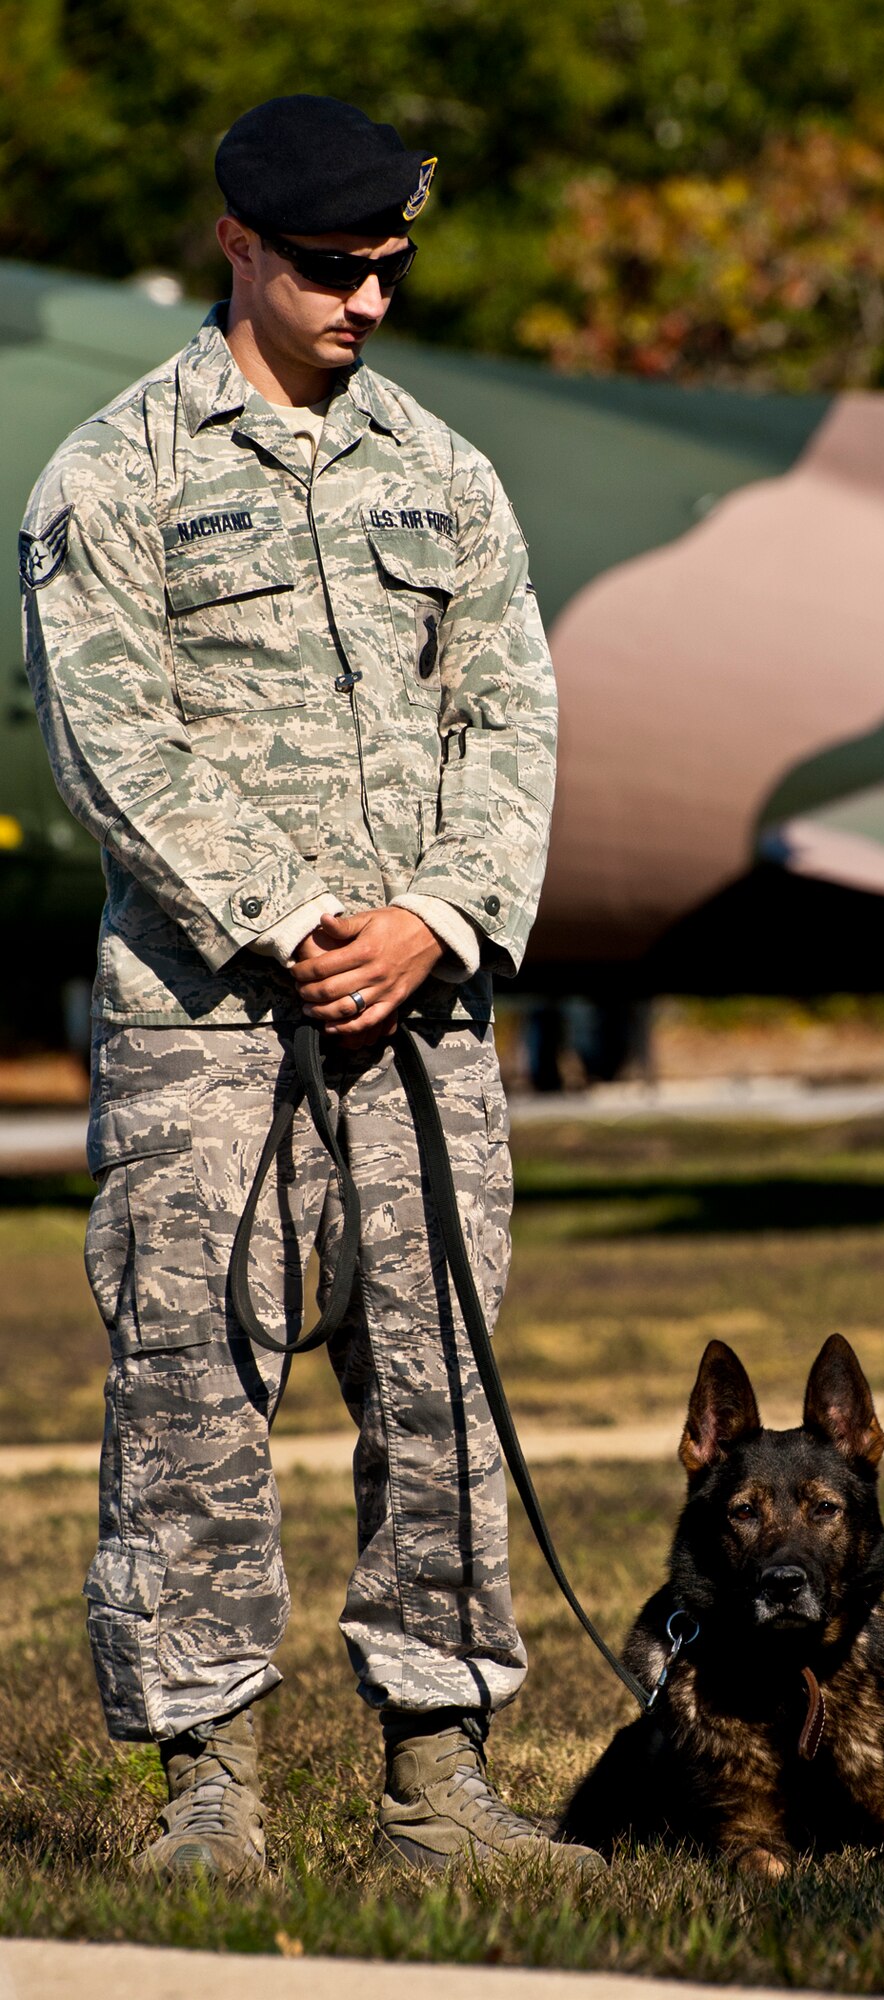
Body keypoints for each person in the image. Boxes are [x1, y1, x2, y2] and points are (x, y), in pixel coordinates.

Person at [19, 94, 599, 1885]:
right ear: (241, 250)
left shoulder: (445, 473)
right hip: (208, 1029)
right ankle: (212, 1800)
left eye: (389, 271)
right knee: (193, 1399)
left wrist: (432, 916)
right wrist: (298, 921)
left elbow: (512, 716)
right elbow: (112, 743)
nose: (368, 304)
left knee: (439, 1394)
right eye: (335, 271)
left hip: (418, 1025)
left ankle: (443, 1794)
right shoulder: (111, 479)